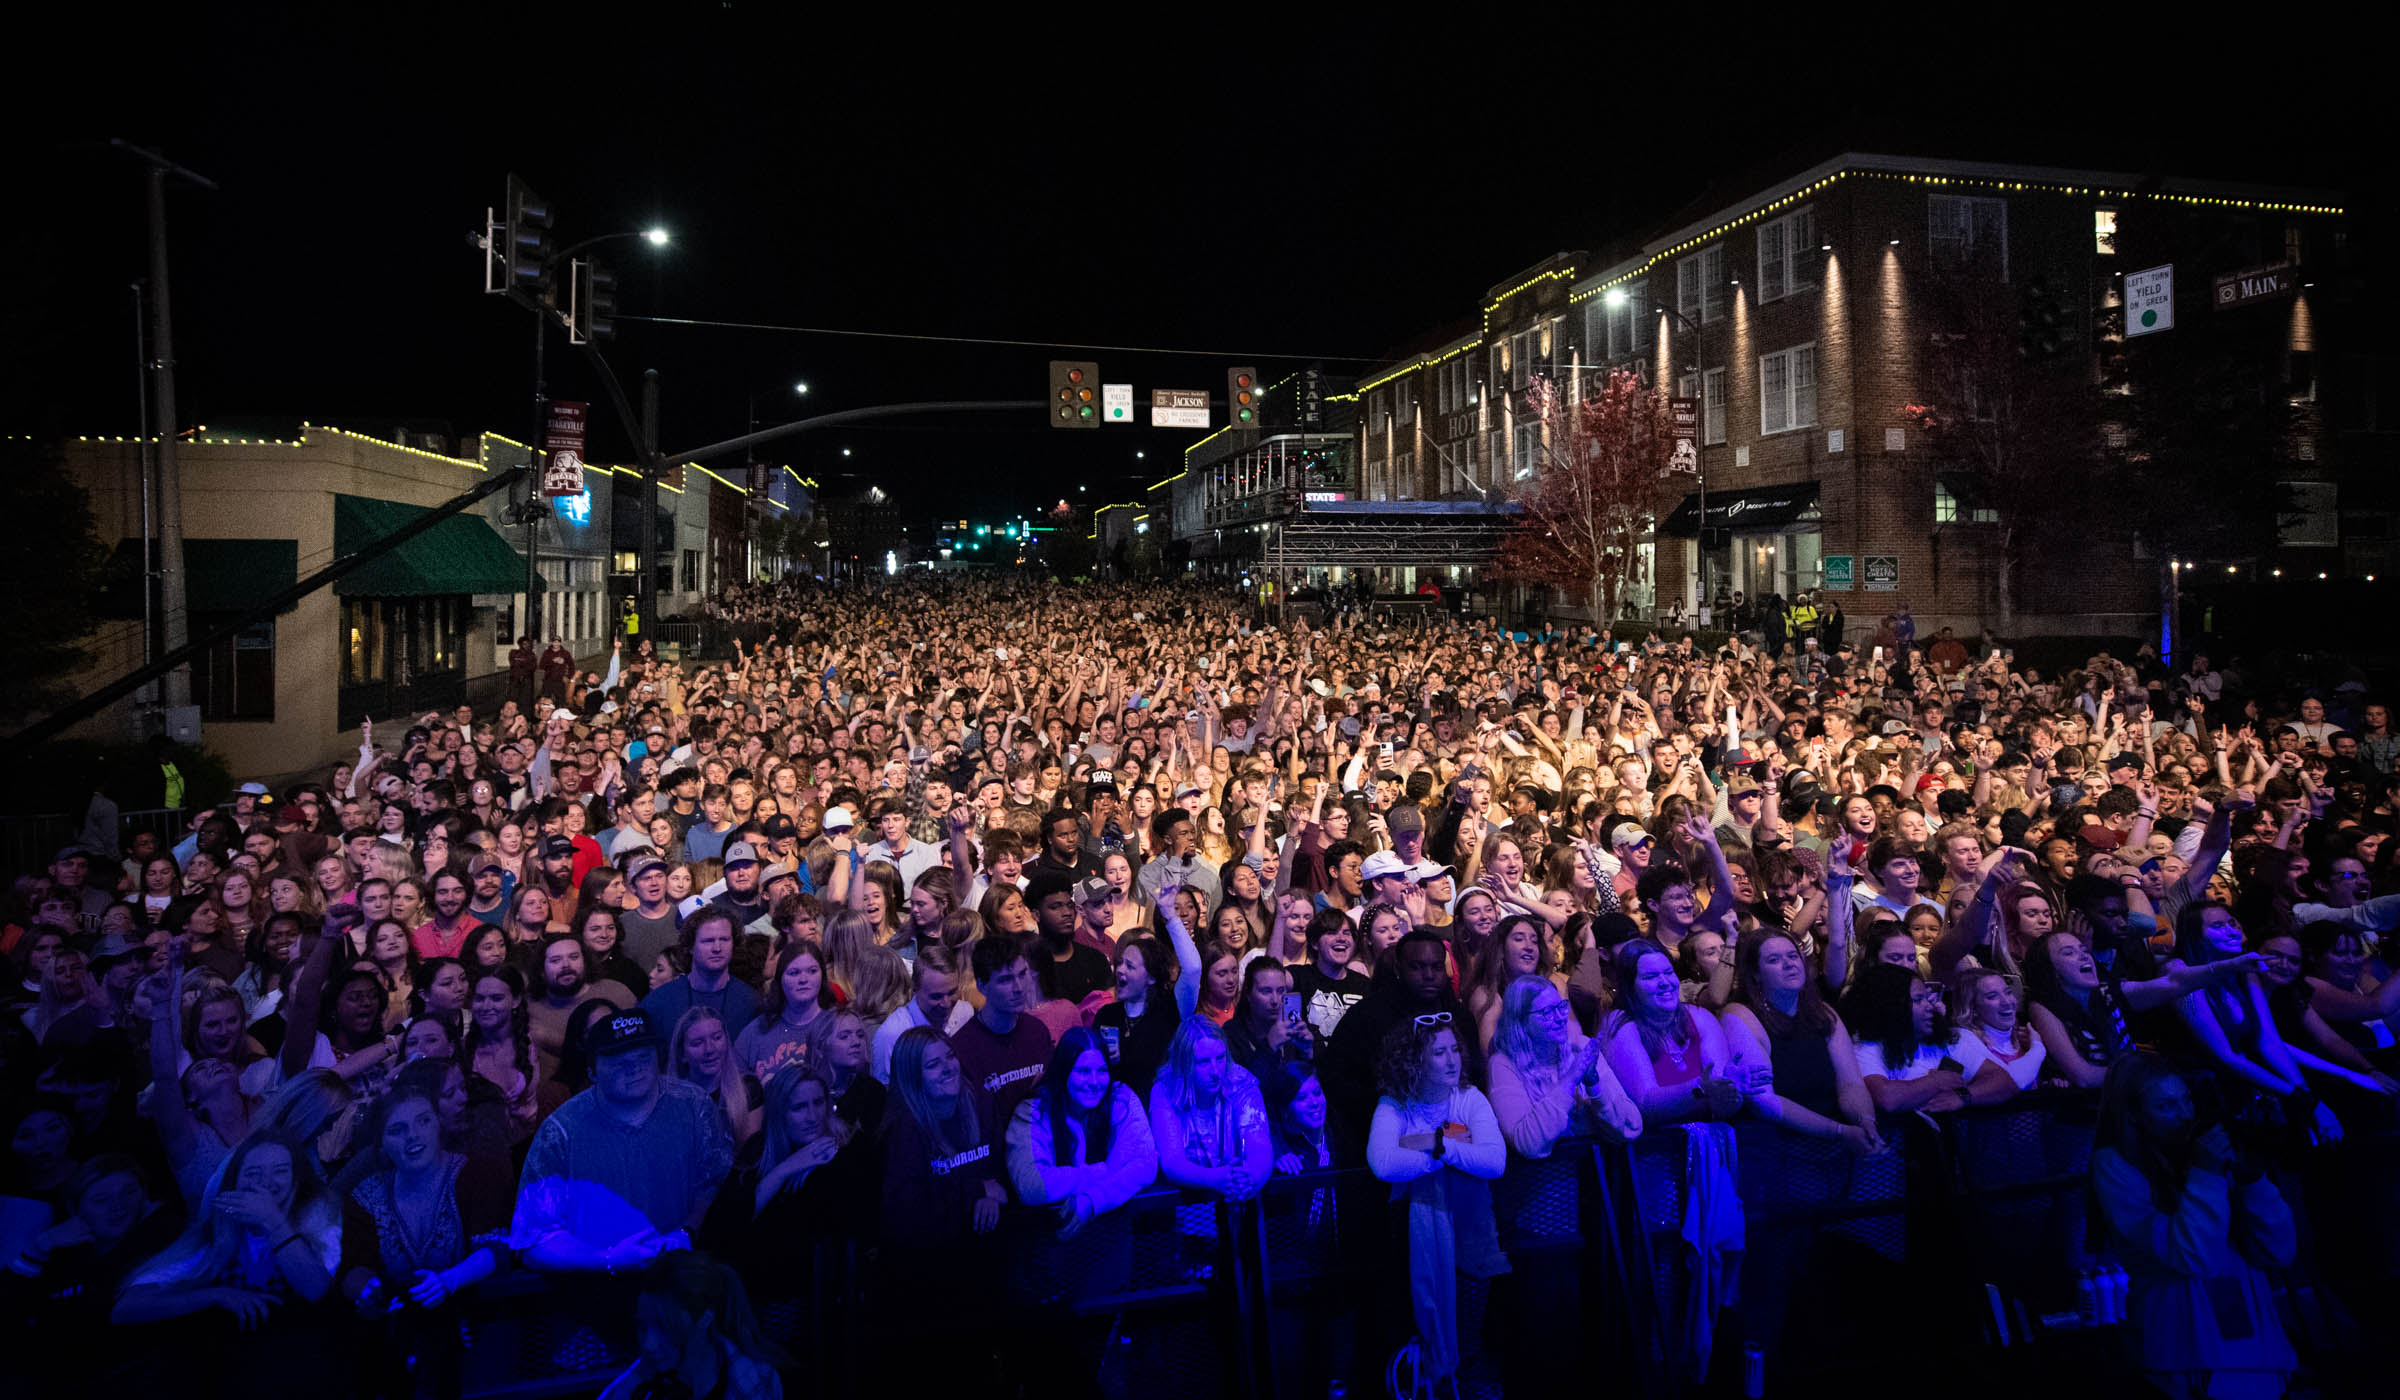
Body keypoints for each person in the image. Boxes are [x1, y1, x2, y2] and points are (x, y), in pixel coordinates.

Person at [2090, 1053, 2296, 1400]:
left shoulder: (2201, 1152)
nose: (2185, 1115)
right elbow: (2194, 1258)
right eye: (2166, 1106)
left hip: (2258, 1354)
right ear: (2133, 1117)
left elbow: (2279, 1253)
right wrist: (2207, 1173)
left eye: (2186, 1099)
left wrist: (2254, 1183)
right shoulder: (2114, 1166)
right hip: (2188, 1357)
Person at [511, 1008, 733, 1271]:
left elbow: (714, 1184)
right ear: (592, 1072)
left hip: (680, 1278)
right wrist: (606, 1258)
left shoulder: (694, 1106)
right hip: (592, 1283)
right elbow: (532, 1238)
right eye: (619, 1062)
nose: (635, 1068)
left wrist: (687, 1231)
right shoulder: (561, 1131)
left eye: (642, 1057)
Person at [1366, 1013, 1508, 1400]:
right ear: (1415, 1060)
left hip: (1472, 1239)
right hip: (1411, 1246)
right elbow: (1382, 1162)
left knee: (1469, 1344)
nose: (1452, 1060)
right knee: (1418, 1343)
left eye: (1453, 1050)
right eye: (1439, 1053)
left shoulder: (1469, 1098)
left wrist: (1435, 1144)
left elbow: (1495, 1161)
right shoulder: (1394, 1104)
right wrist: (1450, 1146)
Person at [1004, 1027, 1159, 1238]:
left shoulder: (1120, 1097)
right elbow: (1033, 1185)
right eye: (1083, 1071)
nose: (1095, 1082)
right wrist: (1106, 1169)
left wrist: (1091, 1201)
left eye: (1102, 1071)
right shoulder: (1034, 1111)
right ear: (1063, 1071)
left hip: (1110, 1235)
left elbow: (1145, 1164)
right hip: (1050, 1240)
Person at [597, 1251, 788, 1400]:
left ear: (704, 1321)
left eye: (664, 1328)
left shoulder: (758, 1383)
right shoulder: (642, 1382)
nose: (648, 1344)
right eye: (642, 1327)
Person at [1487, 975, 1642, 1157]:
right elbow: (1528, 1144)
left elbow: (1632, 1127)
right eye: (1547, 1012)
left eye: (1560, 1007)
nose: (1560, 1018)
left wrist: (1594, 1085)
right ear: (1521, 1022)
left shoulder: (1581, 1048)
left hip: (1599, 1171)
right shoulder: (1503, 1064)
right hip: (1545, 1180)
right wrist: (1570, 1080)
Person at [1839, 963, 2011, 1114]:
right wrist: (1935, 1082)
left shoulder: (1949, 1040)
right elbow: (1886, 1099)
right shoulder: (1866, 1047)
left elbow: (2003, 1081)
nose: (1929, 1006)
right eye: (1918, 999)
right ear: (1892, 1006)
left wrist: (1963, 1096)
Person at [1148, 1017, 1272, 1201]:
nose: (1215, 1071)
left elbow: (1260, 1146)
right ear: (1184, 1063)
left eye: (1220, 1058)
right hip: (1184, 1205)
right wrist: (1216, 1178)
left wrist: (1250, 1178)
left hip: (1239, 1203)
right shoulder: (1165, 1089)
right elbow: (1172, 1163)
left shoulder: (1241, 1082)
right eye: (1203, 1062)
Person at [948, 932, 1053, 1121]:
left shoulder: (1038, 1031)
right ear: (982, 986)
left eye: (1022, 974)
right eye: (1005, 980)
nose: (1019, 987)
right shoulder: (963, 1049)